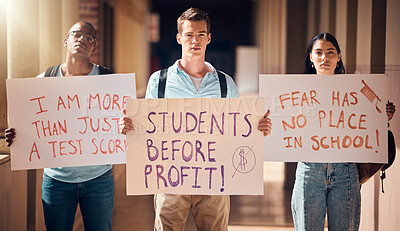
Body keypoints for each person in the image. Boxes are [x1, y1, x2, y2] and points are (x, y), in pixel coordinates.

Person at [119, 7, 272, 231]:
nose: (195, 41)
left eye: (201, 34)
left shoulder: (224, 83)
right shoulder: (158, 82)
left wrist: (257, 130)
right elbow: (146, 128)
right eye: (189, 34)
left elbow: (237, 130)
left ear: (209, 38)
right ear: (179, 38)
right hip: (170, 180)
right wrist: (130, 127)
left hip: (215, 181)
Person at [5, 21, 114, 231]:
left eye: (89, 37)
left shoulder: (107, 79)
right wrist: (16, 134)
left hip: (98, 180)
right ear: (66, 41)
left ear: (94, 47)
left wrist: (124, 125)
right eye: (77, 34)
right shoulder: (45, 80)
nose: (82, 38)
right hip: (57, 182)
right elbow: (28, 123)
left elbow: (120, 121)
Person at [291, 32, 396, 231]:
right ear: (311, 57)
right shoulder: (295, 92)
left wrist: (383, 116)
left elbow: (370, 114)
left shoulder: (356, 90)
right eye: (319, 52)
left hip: (345, 171)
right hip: (309, 170)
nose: (324, 58)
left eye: (330, 52)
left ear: (338, 57)